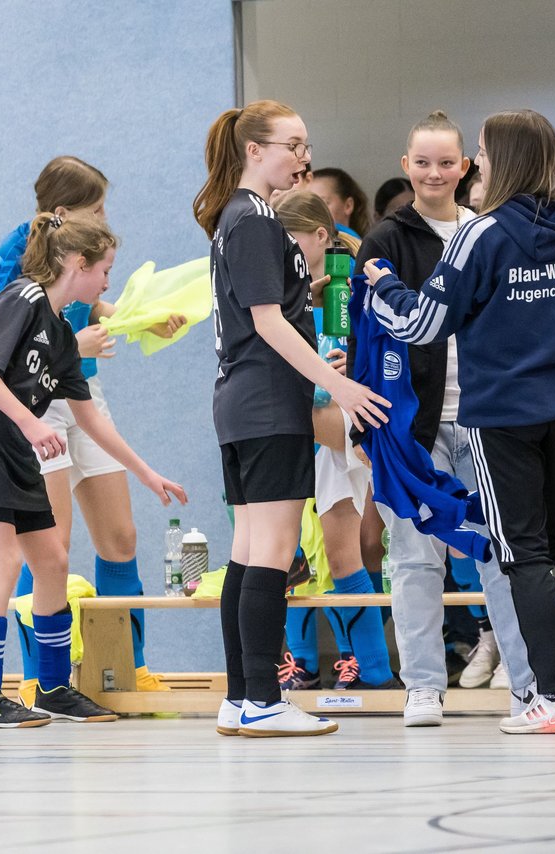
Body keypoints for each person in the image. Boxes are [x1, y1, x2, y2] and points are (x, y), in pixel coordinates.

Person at [364, 109, 555, 735]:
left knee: (520, 554)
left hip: (498, 417)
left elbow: (423, 325)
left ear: (505, 159)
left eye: (482, 151)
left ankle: (553, 699)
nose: (477, 162)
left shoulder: (478, 234)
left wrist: (381, 287)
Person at [0, 213, 187, 728]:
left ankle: (53, 690)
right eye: (105, 271)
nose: (108, 283)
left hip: (17, 450)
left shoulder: (62, 332)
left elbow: (87, 415)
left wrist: (144, 472)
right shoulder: (22, 299)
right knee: (2, 566)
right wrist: (30, 424)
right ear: (77, 263)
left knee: (52, 563)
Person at [193, 99, 389, 737]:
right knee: (272, 556)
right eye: (292, 144)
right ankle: (260, 700)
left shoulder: (241, 217)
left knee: (249, 554)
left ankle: (240, 697)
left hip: (246, 401)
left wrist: (315, 352)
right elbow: (266, 321)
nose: (304, 156)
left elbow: (275, 321)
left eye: (306, 144)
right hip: (267, 407)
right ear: (254, 149)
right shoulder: (252, 218)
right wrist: (338, 385)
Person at [355, 110, 536, 726]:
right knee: (413, 557)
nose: (435, 173)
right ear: (406, 167)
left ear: (467, 167)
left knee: (500, 556)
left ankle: (524, 681)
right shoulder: (385, 239)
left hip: (485, 419)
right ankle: (424, 687)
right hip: (411, 429)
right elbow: (366, 338)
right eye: (422, 162)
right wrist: (366, 426)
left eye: (447, 162)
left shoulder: (487, 232)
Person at [0, 156, 183, 706]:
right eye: (96, 209)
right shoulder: (12, 257)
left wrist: (137, 319)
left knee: (120, 538)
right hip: (35, 404)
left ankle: (126, 667)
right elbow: (0, 343)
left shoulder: (76, 254)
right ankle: (39, 675)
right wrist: (76, 346)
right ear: (64, 213)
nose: (104, 217)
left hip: (82, 397)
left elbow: (88, 299)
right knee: (50, 548)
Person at [271, 188, 396, 693]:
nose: (284, 256)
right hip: (325, 434)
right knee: (342, 554)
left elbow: (388, 346)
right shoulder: (283, 294)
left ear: (322, 235)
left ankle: (283, 553)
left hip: (359, 420)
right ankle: (378, 674)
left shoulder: (353, 284)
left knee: (372, 546)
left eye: (292, 244)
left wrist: (348, 367)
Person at [309, 167, 370, 239]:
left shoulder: (358, 247)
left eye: (323, 203)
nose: (312, 210)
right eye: (308, 204)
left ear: (348, 206)